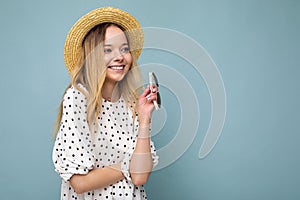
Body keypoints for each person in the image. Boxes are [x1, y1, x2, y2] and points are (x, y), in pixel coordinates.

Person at [52, 7, 159, 200]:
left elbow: (140, 176)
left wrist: (144, 118)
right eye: (107, 49)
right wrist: (130, 164)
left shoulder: (131, 103)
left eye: (124, 49)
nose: (120, 57)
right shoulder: (77, 98)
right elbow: (80, 183)